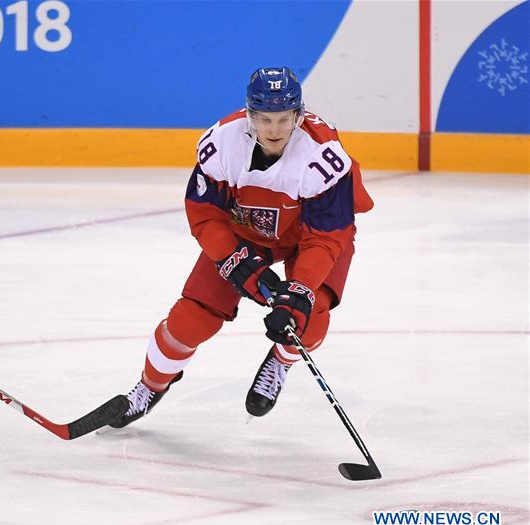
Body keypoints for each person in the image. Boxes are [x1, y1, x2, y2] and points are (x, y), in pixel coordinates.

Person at [108, 67, 374, 428]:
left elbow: (326, 237)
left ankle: (281, 360)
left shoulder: (323, 156)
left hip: (312, 236)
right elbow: (204, 215)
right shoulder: (222, 143)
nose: (274, 130)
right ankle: (148, 388)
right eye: (264, 119)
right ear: (249, 114)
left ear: (298, 114)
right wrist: (234, 260)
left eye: (283, 119)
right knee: (190, 319)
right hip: (247, 229)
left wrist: (298, 291)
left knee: (307, 320)